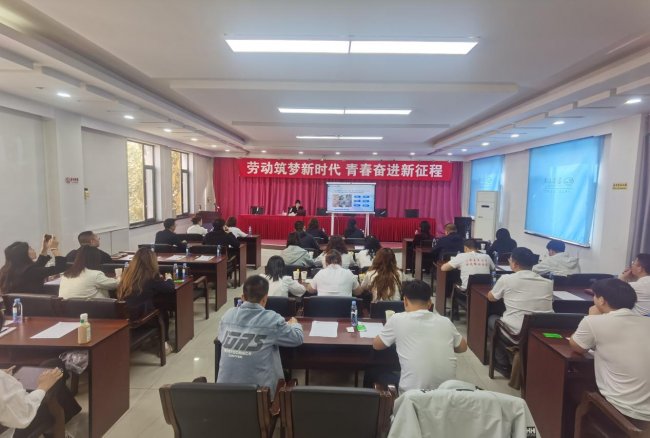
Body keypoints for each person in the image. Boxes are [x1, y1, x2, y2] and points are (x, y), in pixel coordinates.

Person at [569, 278, 650, 423]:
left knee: (571, 386)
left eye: (595, 295)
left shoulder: (594, 321)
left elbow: (577, 346)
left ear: (601, 300)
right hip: (645, 413)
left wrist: (592, 317)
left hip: (625, 413)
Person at [372, 280, 467, 393]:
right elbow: (462, 347)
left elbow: (377, 345)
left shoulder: (397, 319)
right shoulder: (445, 321)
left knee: (374, 372)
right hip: (446, 394)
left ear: (405, 301)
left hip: (412, 395)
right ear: (429, 303)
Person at [217, 275, 304, 397]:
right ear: (265, 299)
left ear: (243, 297)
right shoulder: (271, 319)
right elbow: (297, 338)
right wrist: (295, 324)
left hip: (223, 395)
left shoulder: (228, 315)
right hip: (260, 398)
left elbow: (220, 337)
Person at [487, 247, 553, 373]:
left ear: (515, 263)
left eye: (510, 260)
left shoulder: (506, 279)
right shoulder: (548, 282)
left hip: (518, 334)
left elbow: (491, 298)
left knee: (492, 319)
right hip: (541, 332)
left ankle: (502, 363)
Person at [116, 248, 175, 354]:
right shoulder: (152, 276)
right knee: (162, 311)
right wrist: (169, 278)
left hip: (126, 314)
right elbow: (169, 288)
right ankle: (164, 344)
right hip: (140, 316)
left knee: (156, 304)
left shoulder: (127, 274)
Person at [0, 236, 67, 294]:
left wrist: (44, 249)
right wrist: (54, 249)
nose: (33, 249)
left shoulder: (6, 270)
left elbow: (36, 268)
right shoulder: (31, 271)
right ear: (24, 255)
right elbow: (60, 267)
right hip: (37, 303)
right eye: (30, 248)